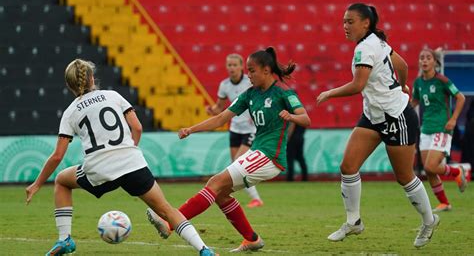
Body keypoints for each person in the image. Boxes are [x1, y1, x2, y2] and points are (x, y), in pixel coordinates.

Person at [25, 59, 216, 256]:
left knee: (62, 181)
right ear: (92, 78)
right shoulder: (112, 96)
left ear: (69, 86)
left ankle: (65, 239)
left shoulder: (70, 112)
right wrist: (128, 150)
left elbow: (57, 156)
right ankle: (204, 250)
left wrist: (37, 184)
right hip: (132, 163)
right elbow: (138, 127)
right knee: (167, 210)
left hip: (99, 170)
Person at [146, 47, 310, 252]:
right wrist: (191, 129)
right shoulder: (249, 94)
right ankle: (252, 239)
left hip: (270, 156)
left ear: (266, 70)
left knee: (215, 183)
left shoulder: (283, 93)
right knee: (221, 194)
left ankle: (170, 223)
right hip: (257, 152)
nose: (248, 75)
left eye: (252, 71)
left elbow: (306, 118)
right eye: (248, 71)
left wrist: (292, 116)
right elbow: (221, 118)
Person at [316, 3, 439, 248]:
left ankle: (428, 220)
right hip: (373, 116)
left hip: (396, 116)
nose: (345, 26)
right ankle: (354, 221)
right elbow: (402, 65)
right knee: (348, 166)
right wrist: (402, 85)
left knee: (404, 177)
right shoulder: (378, 42)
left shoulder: (365, 48)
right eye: (344, 22)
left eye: (350, 21)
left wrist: (329, 93)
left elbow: (357, 85)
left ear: (366, 23)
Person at [411, 48, 467, 212]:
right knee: (428, 171)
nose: (424, 61)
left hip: (442, 128)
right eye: (421, 58)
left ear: (435, 62)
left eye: (428, 58)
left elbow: (460, 97)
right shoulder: (418, 83)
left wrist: (453, 119)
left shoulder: (442, 80)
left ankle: (457, 171)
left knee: (430, 166)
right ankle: (444, 203)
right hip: (426, 128)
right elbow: (415, 101)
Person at [206, 53, 264, 208]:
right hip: (235, 128)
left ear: (241, 67)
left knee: (238, 163)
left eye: (234, 65)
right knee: (236, 165)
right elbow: (219, 107)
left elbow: (260, 97)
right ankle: (252, 197)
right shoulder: (224, 85)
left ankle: (254, 198)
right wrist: (212, 111)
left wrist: (256, 112)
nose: (231, 68)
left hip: (250, 128)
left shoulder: (249, 82)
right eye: (229, 65)